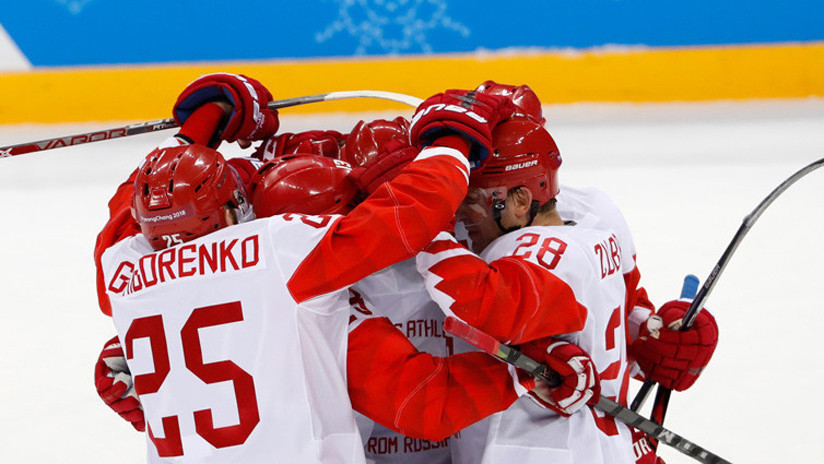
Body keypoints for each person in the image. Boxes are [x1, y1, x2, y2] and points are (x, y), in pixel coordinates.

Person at [93, 73, 601, 463]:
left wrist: (196, 134)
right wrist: (454, 142)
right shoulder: (280, 255)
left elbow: (140, 204)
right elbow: (426, 400)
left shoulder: (121, 272)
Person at [411, 106, 719, 463]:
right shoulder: (596, 238)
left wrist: (427, 222)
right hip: (602, 446)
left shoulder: (538, 250)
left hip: (548, 450)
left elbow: (485, 304)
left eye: (472, 201)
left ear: (521, 200)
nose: (461, 215)